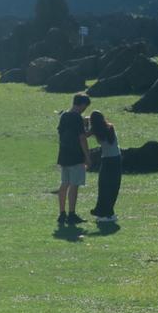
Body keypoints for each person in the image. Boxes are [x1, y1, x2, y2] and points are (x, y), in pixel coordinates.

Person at [56, 93, 91, 225]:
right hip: (76, 155)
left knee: (64, 183)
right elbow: (82, 138)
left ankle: (61, 213)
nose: (84, 109)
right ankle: (72, 214)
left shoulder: (64, 115)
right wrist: (87, 157)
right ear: (82, 104)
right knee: (74, 185)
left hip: (64, 154)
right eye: (85, 106)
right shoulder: (77, 117)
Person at [88, 110, 122, 223]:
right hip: (116, 158)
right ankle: (106, 211)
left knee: (103, 186)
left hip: (107, 159)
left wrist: (86, 123)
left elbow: (85, 135)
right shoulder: (110, 127)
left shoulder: (95, 130)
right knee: (112, 186)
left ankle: (105, 212)